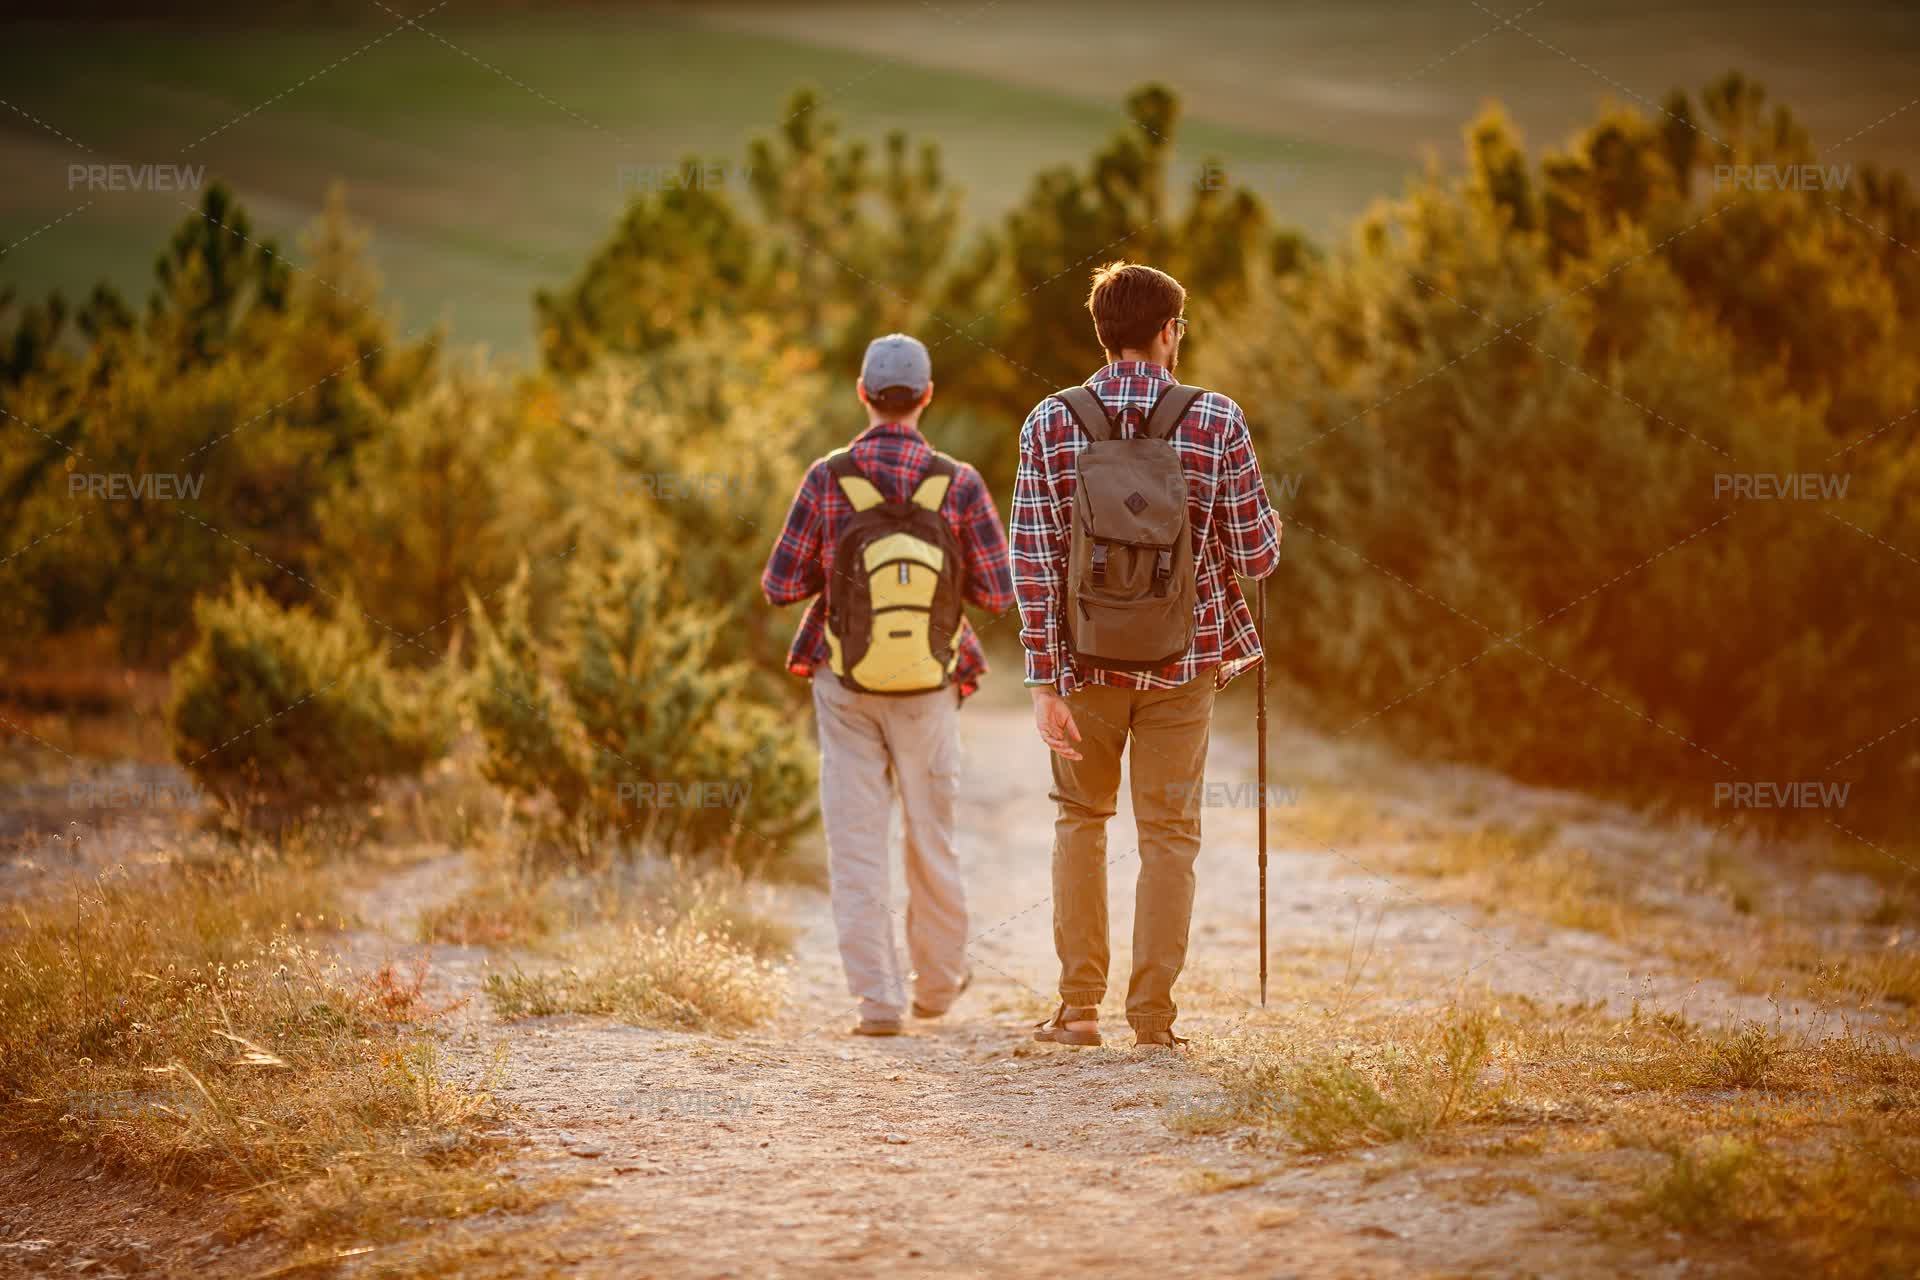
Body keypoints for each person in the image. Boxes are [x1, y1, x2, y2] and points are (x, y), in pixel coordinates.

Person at [1011, 262, 1282, 1049]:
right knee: (1168, 835)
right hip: (1183, 662)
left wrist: (1042, 678)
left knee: (1080, 820)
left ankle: (1078, 1009)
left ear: (1102, 333)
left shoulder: (1049, 422)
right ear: (1169, 333)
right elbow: (1258, 556)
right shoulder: (1218, 420)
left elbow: (1032, 560)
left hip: (1084, 664)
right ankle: (1154, 1020)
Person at [762, 333, 1015, 1036]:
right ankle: (935, 986)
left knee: (857, 842)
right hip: (933, 687)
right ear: (927, 396)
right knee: (931, 838)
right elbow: (998, 591)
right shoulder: (957, 481)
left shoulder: (827, 476)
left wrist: (837, 577)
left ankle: (879, 1001)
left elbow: (780, 585)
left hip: (845, 684)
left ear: (862, 393)